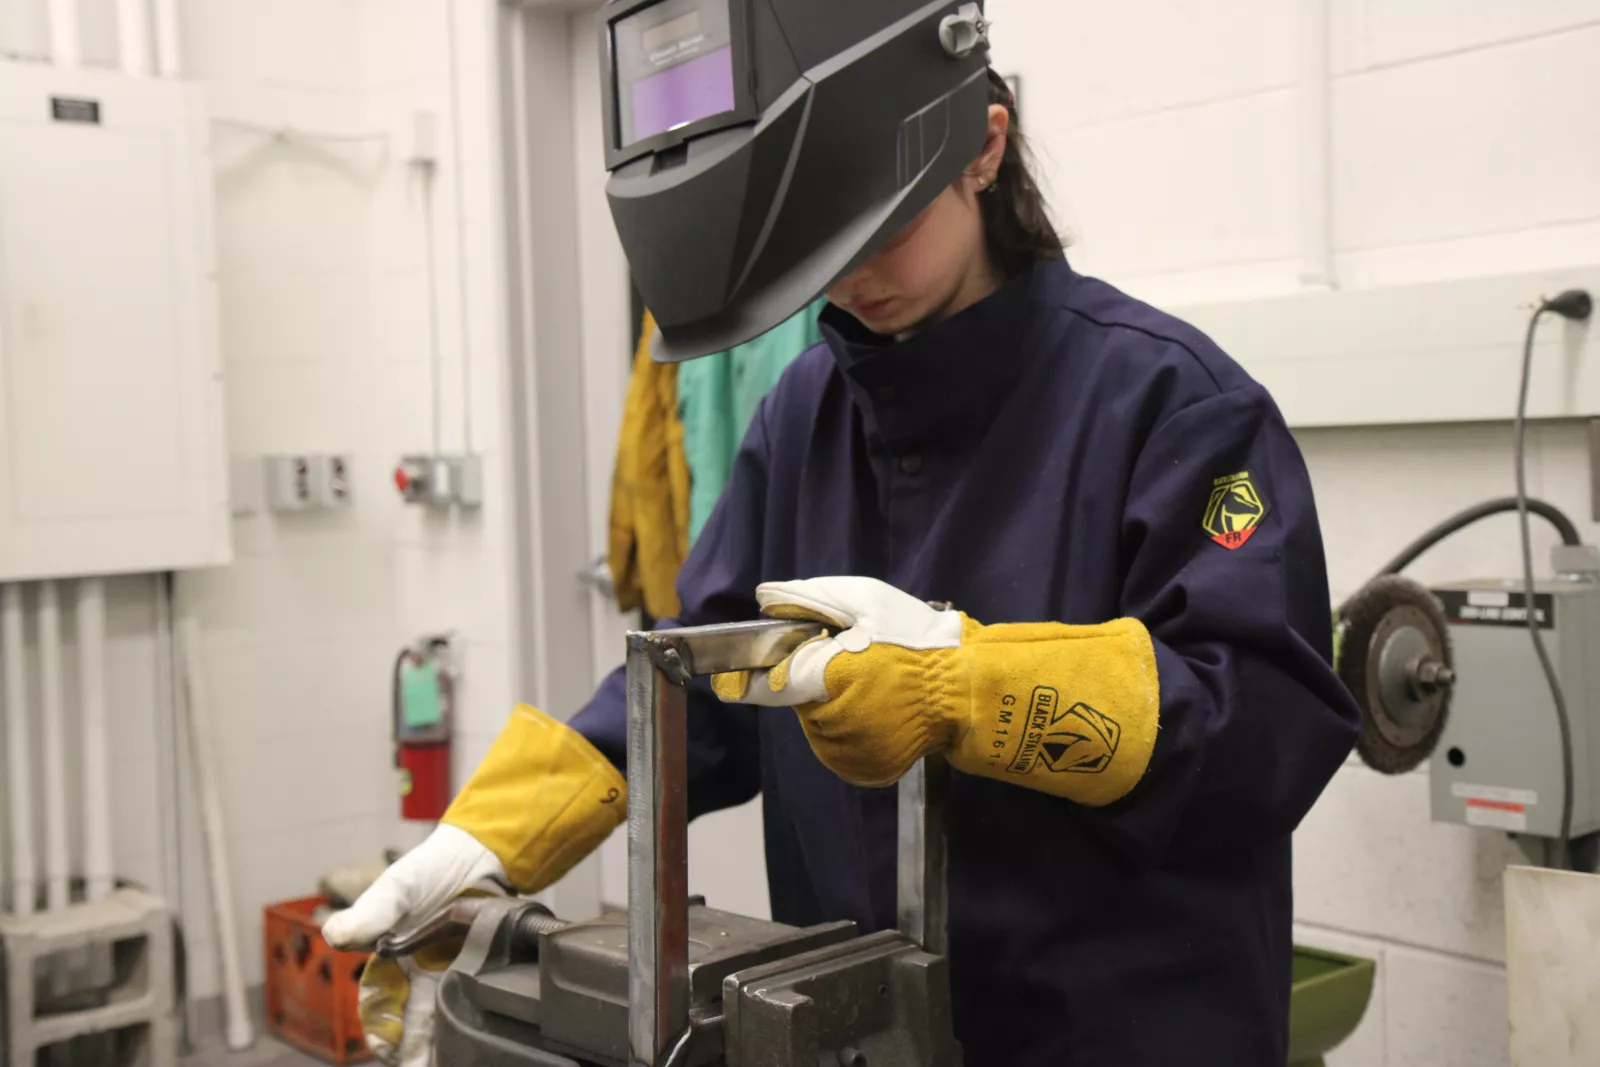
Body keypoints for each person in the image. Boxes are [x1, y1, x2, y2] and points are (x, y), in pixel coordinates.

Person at [326, 60, 1359, 1067]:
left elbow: (1261, 727)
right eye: (817, 240)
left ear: (983, 149)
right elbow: (711, 677)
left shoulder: (1171, 404)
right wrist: (493, 840)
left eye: (884, 226)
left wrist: (970, 685)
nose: (854, 274)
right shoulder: (805, 411)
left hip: (1109, 1024)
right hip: (851, 1029)